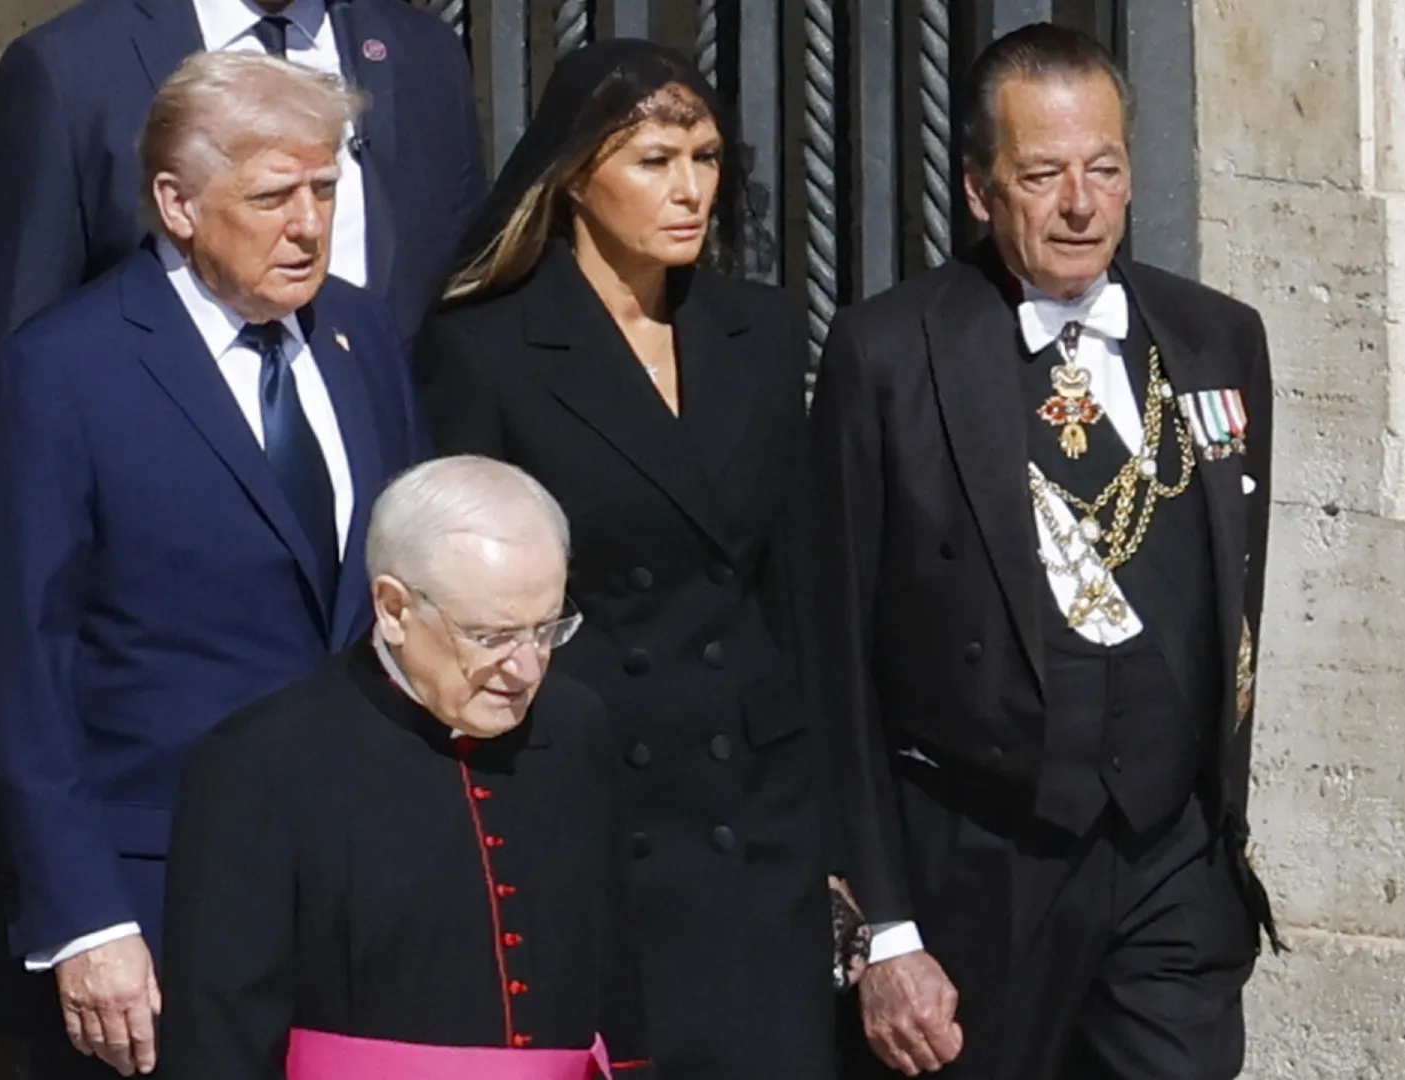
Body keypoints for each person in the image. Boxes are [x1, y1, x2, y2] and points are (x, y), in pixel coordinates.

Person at [0, 52, 425, 1079]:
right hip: (157, 903)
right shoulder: (60, 373)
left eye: (325, 189)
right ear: (177, 203)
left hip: (357, 895)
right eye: (274, 196)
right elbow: (23, 673)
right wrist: (83, 919)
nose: (308, 224)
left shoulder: (362, 337)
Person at [812, 24, 1278, 1080]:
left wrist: (1219, 840)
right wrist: (884, 929)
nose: (1080, 204)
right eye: (1043, 175)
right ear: (980, 190)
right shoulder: (889, 354)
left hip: (1169, 862)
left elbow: (1232, 600)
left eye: (1104, 169)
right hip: (981, 869)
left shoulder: (1219, 337)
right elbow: (833, 655)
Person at [414, 40, 861, 1080]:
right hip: (600, 806)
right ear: (576, 175)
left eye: (705, 159)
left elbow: (803, 590)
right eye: (655, 161)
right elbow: (465, 608)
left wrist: (839, 843)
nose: (691, 190)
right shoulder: (486, 348)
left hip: (758, 821)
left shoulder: (759, 329)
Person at [157, 455, 654, 1079]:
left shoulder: (577, 724)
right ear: (393, 609)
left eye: (546, 628)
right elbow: (218, 1035)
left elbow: (615, 969)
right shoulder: (261, 761)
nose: (527, 668)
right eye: (492, 636)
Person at [0, 0, 485, 414]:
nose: (306, 221)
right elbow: (10, 375)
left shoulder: (426, 58)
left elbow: (462, 317)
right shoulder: (70, 68)